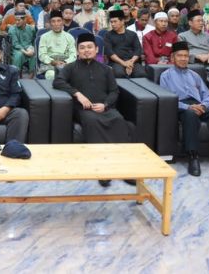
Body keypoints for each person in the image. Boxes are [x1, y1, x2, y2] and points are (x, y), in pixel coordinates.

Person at [53, 34, 134, 186]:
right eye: (82, 48)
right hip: (84, 110)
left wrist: (105, 105)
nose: (86, 50)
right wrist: (77, 94)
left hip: (105, 108)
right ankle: (102, 169)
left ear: (96, 49)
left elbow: (114, 91)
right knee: (92, 121)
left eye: (90, 47)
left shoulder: (106, 69)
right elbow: (58, 81)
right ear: (77, 51)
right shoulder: (70, 68)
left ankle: (125, 168)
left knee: (118, 120)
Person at [159, 41, 209, 177]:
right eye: (180, 56)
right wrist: (188, 107)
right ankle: (193, 156)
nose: (183, 59)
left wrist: (204, 105)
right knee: (190, 115)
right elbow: (167, 99)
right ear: (172, 57)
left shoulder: (194, 75)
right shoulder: (166, 76)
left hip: (199, 105)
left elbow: (207, 95)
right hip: (182, 107)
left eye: (186, 56)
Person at [104, 9, 146, 78]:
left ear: (122, 21)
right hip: (116, 62)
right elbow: (110, 53)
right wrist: (124, 63)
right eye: (111, 22)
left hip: (132, 62)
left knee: (141, 74)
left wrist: (130, 63)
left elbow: (138, 50)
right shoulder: (108, 35)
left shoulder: (132, 34)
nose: (113, 24)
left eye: (115, 21)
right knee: (119, 73)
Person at [179, 10, 209, 75]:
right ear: (190, 23)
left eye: (202, 21)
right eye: (198, 21)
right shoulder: (182, 36)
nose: (201, 23)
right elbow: (181, 52)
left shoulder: (208, 36)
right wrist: (197, 56)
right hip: (192, 65)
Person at [38, 10, 77, 80]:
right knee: (51, 75)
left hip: (66, 64)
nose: (56, 24)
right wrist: (53, 62)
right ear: (50, 23)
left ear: (63, 22)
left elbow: (73, 55)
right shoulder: (44, 37)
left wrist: (65, 62)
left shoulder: (69, 37)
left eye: (59, 21)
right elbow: (42, 55)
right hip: (50, 65)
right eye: (53, 21)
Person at [8, 10, 37, 77]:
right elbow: (15, 44)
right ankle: (16, 75)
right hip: (16, 49)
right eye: (16, 20)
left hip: (27, 47)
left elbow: (33, 40)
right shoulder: (12, 29)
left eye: (19, 20)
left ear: (25, 19)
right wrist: (26, 52)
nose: (17, 22)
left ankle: (31, 76)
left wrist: (31, 48)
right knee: (19, 55)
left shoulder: (30, 28)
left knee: (33, 54)